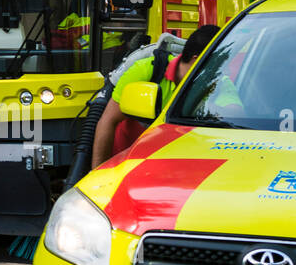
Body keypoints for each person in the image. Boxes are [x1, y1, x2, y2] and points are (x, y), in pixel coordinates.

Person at [91, 24, 219, 166]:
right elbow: (108, 121)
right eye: (217, 65)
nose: (218, 71)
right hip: (127, 165)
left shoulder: (217, 83)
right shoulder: (146, 70)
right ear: (197, 60)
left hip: (172, 165)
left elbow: (234, 111)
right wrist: (98, 172)